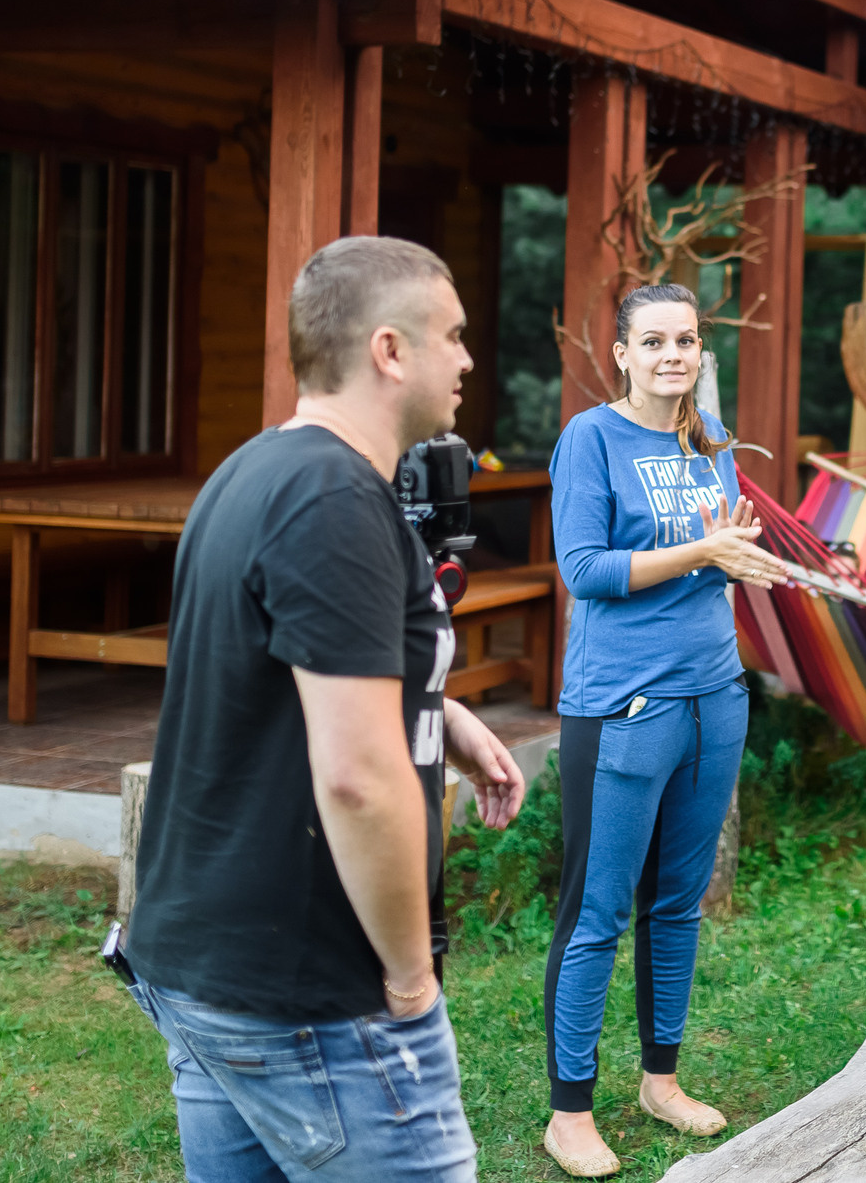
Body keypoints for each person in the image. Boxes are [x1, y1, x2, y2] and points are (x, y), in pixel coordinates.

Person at [121, 236, 530, 1183]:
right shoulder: (335, 499)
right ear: (390, 350)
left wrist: (443, 715)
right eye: (454, 335)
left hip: (204, 964)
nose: (469, 359)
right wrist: (408, 980)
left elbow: (266, 677)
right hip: (314, 995)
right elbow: (355, 780)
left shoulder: (255, 470)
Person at [543, 282, 785, 1177]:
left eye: (686, 340)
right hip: (622, 707)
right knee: (596, 914)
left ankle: (660, 1078)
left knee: (677, 903)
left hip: (713, 699)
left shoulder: (708, 442)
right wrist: (705, 552)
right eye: (654, 342)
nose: (673, 355)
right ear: (621, 353)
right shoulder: (591, 439)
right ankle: (569, 1112)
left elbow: (710, 560)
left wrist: (736, 557)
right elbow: (586, 568)